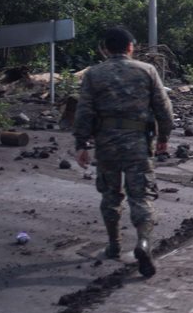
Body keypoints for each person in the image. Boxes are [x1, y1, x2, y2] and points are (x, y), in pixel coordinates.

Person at [73, 27, 174, 277]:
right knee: (140, 196)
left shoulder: (94, 74)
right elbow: (164, 107)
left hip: (106, 144)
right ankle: (143, 243)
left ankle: (114, 245)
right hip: (138, 142)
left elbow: (84, 111)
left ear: (105, 48)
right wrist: (163, 137)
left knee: (110, 195)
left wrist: (81, 144)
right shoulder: (147, 70)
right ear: (131, 47)